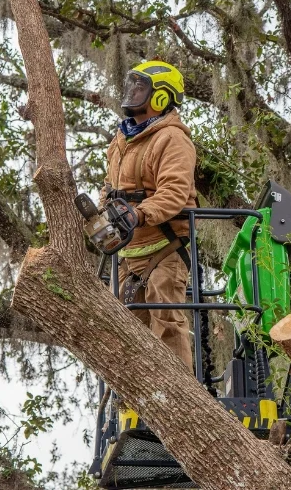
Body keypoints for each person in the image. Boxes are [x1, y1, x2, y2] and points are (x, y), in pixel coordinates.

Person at [100, 60, 197, 371]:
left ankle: (180, 402)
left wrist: (138, 215)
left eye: (140, 87)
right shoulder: (121, 142)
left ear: (160, 97)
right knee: (125, 329)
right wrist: (106, 212)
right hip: (129, 251)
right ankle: (133, 404)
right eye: (132, 86)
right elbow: (109, 188)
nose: (132, 92)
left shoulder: (173, 138)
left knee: (166, 321)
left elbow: (174, 193)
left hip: (164, 247)